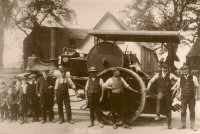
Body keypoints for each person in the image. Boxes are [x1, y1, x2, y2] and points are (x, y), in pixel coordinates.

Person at [146, 63, 178, 129]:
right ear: (161, 68)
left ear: (168, 69)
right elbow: (150, 81)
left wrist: (174, 87)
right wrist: (147, 88)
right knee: (159, 98)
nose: (165, 69)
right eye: (164, 68)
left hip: (168, 92)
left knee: (168, 107)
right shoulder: (157, 75)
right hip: (160, 91)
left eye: (166, 68)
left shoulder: (171, 75)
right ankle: (158, 115)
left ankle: (169, 124)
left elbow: (179, 80)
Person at [175, 64, 199, 131]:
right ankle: (183, 125)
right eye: (183, 69)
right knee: (183, 111)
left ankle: (193, 125)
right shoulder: (179, 78)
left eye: (186, 69)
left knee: (192, 111)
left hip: (191, 97)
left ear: (188, 70)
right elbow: (178, 88)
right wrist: (177, 95)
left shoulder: (193, 77)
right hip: (183, 97)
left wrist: (197, 95)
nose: (184, 71)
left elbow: (197, 87)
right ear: (181, 71)